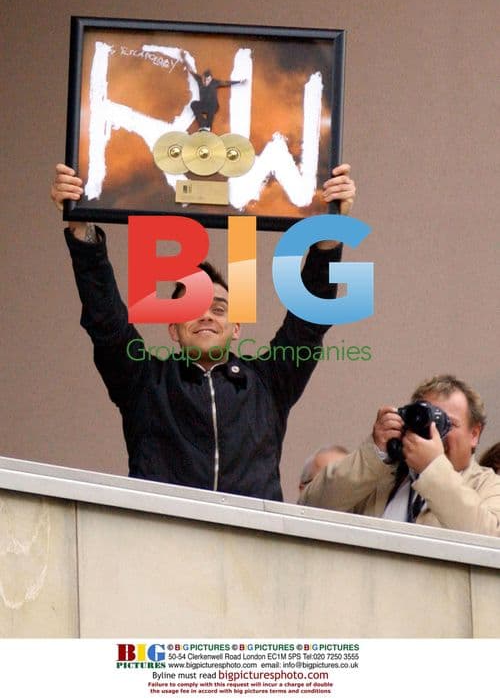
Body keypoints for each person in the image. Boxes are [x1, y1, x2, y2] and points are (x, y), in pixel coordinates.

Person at [51, 162, 356, 501]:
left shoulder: (269, 384)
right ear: (173, 328)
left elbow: (308, 323)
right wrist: (81, 229)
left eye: (219, 308)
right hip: (162, 540)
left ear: (237, 327)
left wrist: (329, 233)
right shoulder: (144, 381)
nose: (207, 316)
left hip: (251, 545)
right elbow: (106, 322)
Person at [299, 375, 500, 537]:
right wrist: (374, 453)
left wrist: (432, 469)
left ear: (474, 434)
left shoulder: (489, 485)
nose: (435, 432)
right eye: (427, 420)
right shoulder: (380, 478)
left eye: (449, 423)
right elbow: (309, 508)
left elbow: (490, 540)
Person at [180, 51, 246, 131]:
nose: (206, 82)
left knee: (212, 105)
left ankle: (208, 126)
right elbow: (190, 70)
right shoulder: (199, 80)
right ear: (203, 78)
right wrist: (183, 58)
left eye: (208, 80)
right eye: (205, 80)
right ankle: (203, 124)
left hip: (213, 106)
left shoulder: (215, 82)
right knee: (193, 104)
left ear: (211, 78)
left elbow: (226, 83)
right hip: (204, 104)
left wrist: (239, 81)